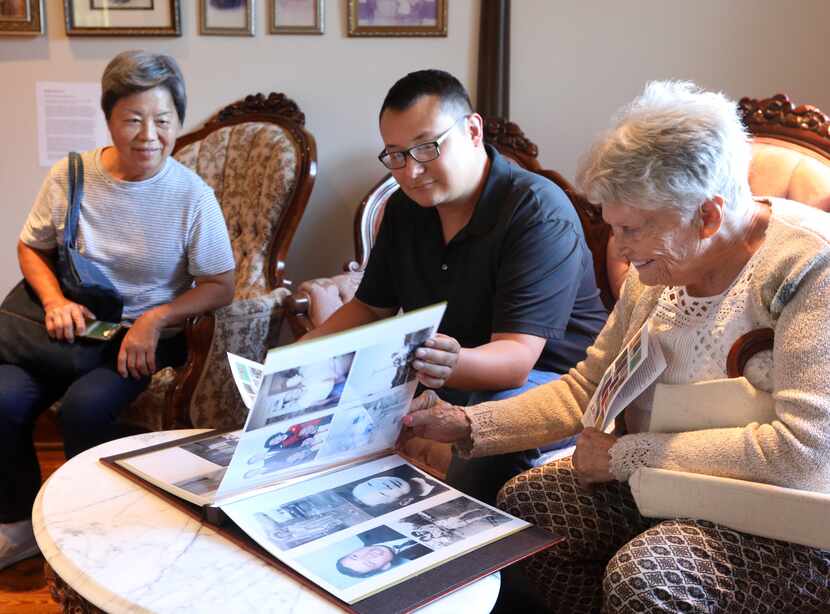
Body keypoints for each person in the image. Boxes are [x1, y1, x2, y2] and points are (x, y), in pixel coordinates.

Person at [403, 81, 830, 612]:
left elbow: (806, 455)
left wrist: (628, 455)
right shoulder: (657, 273)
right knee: (527, 506)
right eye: (612, 226)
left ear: (708, 216)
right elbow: (590, 387)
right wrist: (469, 425)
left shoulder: (811, 269)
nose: (618, 250)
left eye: (632, 230)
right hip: (672, 484)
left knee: (648, 576)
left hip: (791, 514)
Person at [303, 69, 607, 503]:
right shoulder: (405, 209)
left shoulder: (537, 212)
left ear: (472, 129)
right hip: (448, 370)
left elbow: (517, 359)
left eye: (426, 148)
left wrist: (448, 365)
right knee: (315, 407)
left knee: (490, 426)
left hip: (550, 379)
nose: (411, 171)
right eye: (396, 155)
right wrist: (293, 359)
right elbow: (370, 308)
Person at [0, 50, 235, 570]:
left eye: (163, 120)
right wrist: (56, 300)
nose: (149, 134)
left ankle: (89, 525)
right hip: (62, 329)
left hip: (136, 339)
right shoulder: (72, 175)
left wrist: (155, 319)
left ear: (178, 120)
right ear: (109, 119)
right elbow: (30, 247)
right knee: (2, 397)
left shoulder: (192, 195)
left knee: (87, 408)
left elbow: (221, 284)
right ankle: (18, 522)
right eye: (133, 119)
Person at [335, 526, 432, 578]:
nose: (368, 556)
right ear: (385, 567)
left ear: (354, 550)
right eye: (369, 563)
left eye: (355, 556)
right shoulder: (424, 558)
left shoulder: (367, 527)